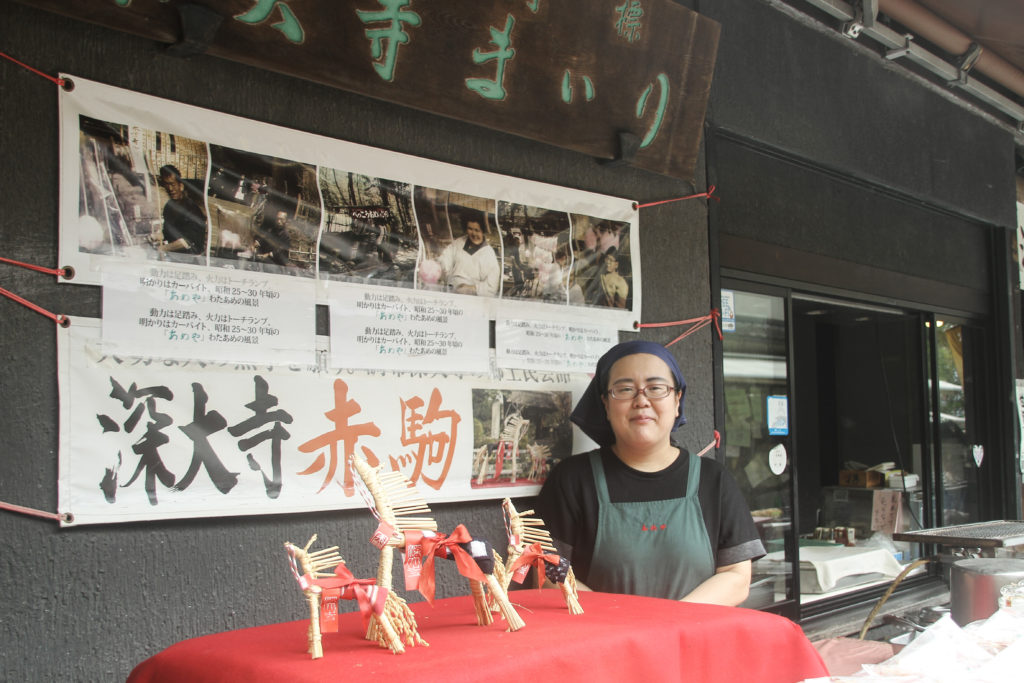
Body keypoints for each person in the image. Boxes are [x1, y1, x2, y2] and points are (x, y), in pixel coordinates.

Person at [536, 340, 765, 605]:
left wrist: (669, 625)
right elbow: (549, 576)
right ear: (605, 405)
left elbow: (736, 576)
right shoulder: (572, 481)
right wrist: (631, 630)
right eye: (624, 389)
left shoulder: (714, 481)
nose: (641, 400)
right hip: (606, 639)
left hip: (693, 638)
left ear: (678, 400)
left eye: (656, 388)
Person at [437, 217, 500, 296]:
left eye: (477, 230)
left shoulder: (488, 253)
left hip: (471, 297)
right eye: (470, 229)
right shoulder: (458, 243)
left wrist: (471, 288)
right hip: (451, 290)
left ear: (482, 231)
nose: (473, 234)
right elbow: (445, 259)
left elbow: (492, 286)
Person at [155, 164, 207, 256]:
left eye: (173, 184)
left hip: (191, 257)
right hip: (174, 254)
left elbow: (187, 242)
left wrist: (163, 248)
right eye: (167, 185)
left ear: (181, 186)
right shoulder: (168, 207)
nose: (170, 189)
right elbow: (167, 233)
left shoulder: (192, 209)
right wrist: (156, 237)